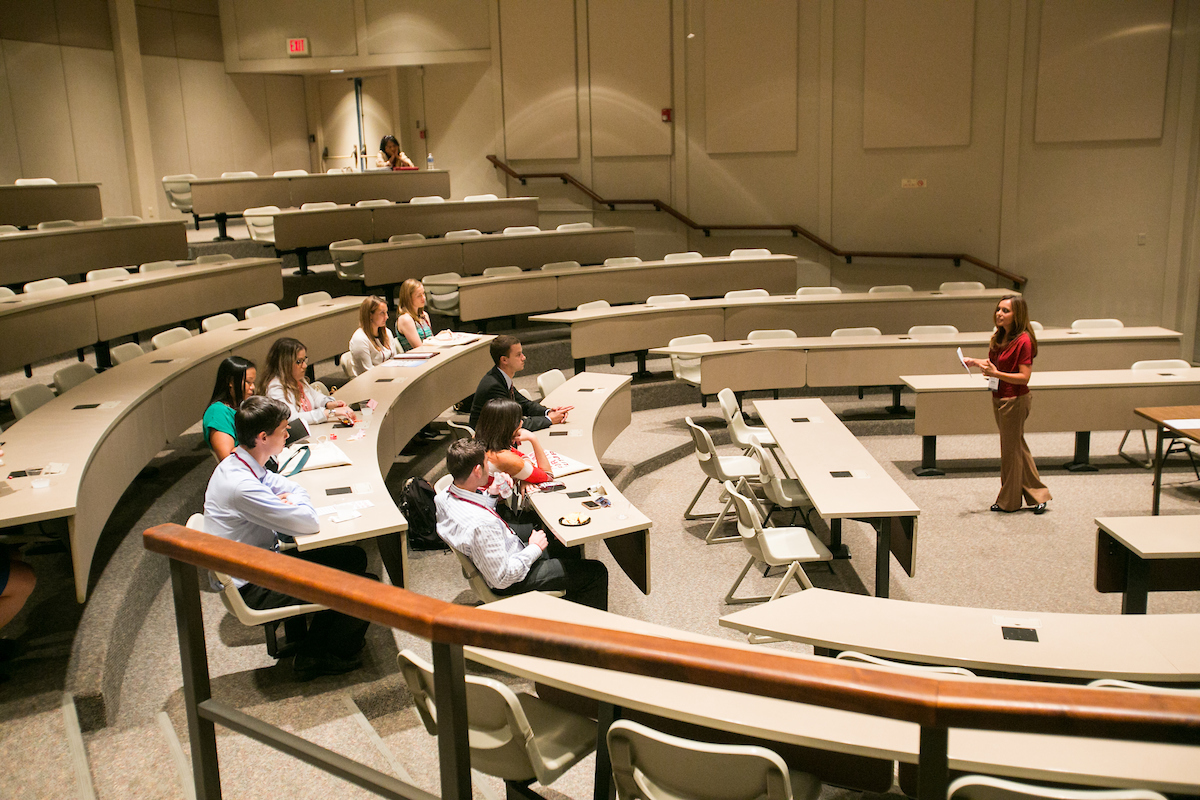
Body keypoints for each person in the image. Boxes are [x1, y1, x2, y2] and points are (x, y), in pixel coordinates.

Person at [203, 396, 374, 679]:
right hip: (254, 586)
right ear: (262, 437)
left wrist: (291, 500)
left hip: (261, 564)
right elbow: (306, 522)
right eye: (283, 429)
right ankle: (317, 657)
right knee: (367, 588)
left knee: (354, 557)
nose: (287, 434)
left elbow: (290, 487)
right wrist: (292, 504)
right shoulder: (241, 485)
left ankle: (312, 641)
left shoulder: (242, 462)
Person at [435, 439, 608, 610]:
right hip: (511, 578)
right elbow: (502, 579)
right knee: (596, 572)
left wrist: (492, 494)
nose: (490, 467)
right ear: (477, 470)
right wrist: (534, 548)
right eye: (486, 462)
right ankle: (591, 633)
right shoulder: (482, 524)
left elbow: (474, 512)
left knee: (566, 545)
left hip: (501, 553)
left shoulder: (444, 497)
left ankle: (567, 612)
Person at [963, 296, 1051, 514]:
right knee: (1016, 447)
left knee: (1010, 451)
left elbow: (1024, 377)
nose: (999, 314)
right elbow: (994, 365)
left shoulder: (1024, 341)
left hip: (1015, 399)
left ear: (1017, 315)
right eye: (998, 309)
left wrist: (996, 374)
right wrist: (974, 362)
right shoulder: (999, 335)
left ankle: (1008, 502)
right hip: (998, 396)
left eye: (1005, 311)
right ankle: (1039, 495)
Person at [469, 335, 572, 432]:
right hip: (485, 443)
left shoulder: (501, 377)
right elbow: (513, 424)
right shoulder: (493, 386)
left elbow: (525, 405)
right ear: (504, 360)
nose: (524, 357)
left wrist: (548, 412)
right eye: (518, 355)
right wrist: (549, 419)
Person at [259, 337, 356, 427]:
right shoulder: (275, 388)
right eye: (298, 362)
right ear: (284, 364)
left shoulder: (297, 379)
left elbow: (315, 396)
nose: (305, 365)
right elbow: (291, 418)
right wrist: (331, 412)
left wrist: (329, 404)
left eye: (304, 360)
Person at [475, 398, 553, 496]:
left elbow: (520, 457)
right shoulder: (502, 457)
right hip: (493, 508)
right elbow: (548, 477)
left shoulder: (479, 439)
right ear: (508, 426)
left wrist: (524, 475)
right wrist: (533, 439)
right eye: (518, 420)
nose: (521, 422)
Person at [202, 356, 256, 461]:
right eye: (248, 382)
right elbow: (227, 458)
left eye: (253, 382)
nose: (252, 387)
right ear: (230, 382)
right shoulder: (218, 413)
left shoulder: (243, 405)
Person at [349, 296, 399, 375]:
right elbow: (367, 373)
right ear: (370, 315)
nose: (387, 317)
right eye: (382, 313)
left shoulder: (387, 332)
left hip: (389, 377)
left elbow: (395, 360)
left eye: (386, 312)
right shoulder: (359, 339)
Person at [395, 278, 433, 352]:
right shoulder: (405, 319)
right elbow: (419, 349)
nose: (424, 298)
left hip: (429, 354)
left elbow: (431, 341)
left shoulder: (424, 315)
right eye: (419, 296)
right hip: (416, 359)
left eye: (423, 293)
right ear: (408, 298)